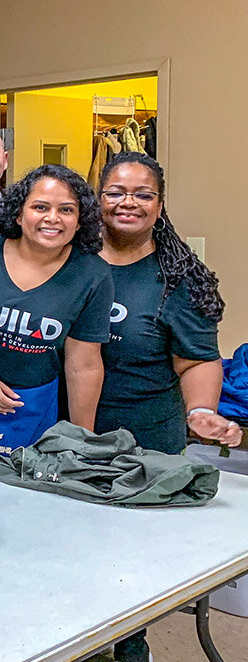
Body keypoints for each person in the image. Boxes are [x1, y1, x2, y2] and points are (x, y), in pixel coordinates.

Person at [96, 152, 241, 453]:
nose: (128, 202)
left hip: (147, 447)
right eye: (115, 193)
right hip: (67, 436)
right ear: (99, 200)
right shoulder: (70, 264)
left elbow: (197, 360)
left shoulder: (179, 279)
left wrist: (201, 411)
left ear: (159, 206)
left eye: (144, 195)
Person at [0, 164, 112, 454]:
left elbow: (83, 366)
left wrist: (82, 442)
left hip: (34, 408)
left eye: (67, 210)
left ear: (81, 220)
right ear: (19, 214)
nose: (53, 219)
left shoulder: (92, 274)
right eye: (40, 207)